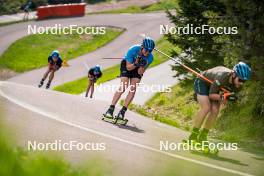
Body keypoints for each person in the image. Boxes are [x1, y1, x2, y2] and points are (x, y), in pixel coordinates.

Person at [188, 62, 251, 143]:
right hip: (202, 82)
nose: (241, 83)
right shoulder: (222, 77)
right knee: (206, 107)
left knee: (215, 111)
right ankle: (193, 136)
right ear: (234, 75)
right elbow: (211, 95)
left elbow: (226, 97)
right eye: (240, 80)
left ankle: (202, 136)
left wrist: (229, 97)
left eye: (244, 81)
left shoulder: (238, 85)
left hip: (216, 88)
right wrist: (223, 97)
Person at [104, 37, 155, 119]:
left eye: (150, 51)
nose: (147, 53)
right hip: (128, 65)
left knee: (133, 88)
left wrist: (142, 65)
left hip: (137, 69)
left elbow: (140, 72)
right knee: (123, 86)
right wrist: (135, 63)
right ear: (142, 47)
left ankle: (122, 112)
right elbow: (128, 68)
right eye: (146, 50)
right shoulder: (133, 49)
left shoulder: (150, 58)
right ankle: (110, 109)